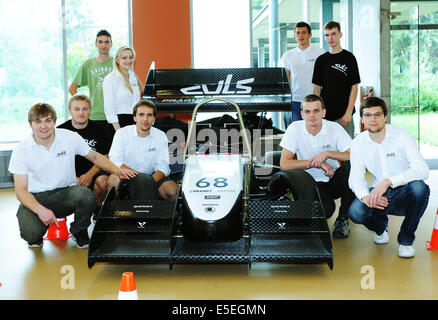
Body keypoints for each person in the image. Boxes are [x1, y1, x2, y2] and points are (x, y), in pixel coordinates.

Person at [8, 103, 137, 249]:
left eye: (48, 121)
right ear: (30, 124)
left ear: (54, 122)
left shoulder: (69, 137)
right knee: (31, 235)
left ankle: (79, 230)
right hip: (36, 197)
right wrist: (40, 210)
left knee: (87, 196)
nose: (43, 126)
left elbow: (95, 157)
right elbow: (21, 191)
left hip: (65, 194)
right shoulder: (21, 150)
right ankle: (36, 231)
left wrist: (117, 170)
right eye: (38, 121)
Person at [348, 96, 430, 258]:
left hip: (403, 193)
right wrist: (366, 197)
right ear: (362, 119)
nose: (373, 119)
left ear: (385, 117)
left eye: (378, 114)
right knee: (355, 212)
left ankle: (406, 241)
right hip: (378, 195)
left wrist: (388, 181)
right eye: (368, 115)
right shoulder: (358, 143)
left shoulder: (402, 135)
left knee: (420, 188)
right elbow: (355, 178)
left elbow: (422, 169)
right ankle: (380, 228)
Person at [279, 94, 355, 238]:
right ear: (302, 114)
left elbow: (354, 155)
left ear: (323, 113)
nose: (311, 115)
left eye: (316, 111)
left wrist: (327, 153)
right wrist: (317, 163)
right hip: (311, 181)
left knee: (351, 165)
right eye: (307, 112)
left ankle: (343, 218)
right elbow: (284, 164)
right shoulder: (294, 128)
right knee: (326, 210)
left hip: (334, 178)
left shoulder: (335, 128)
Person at [107, 99, 179, 201]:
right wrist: (139, 180)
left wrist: (148, 181)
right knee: (113, 181)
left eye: (149, 115)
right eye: (141, 114)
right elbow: (115, 161)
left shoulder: (160, 135)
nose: (145, 119)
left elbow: (163, 165)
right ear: (134, 117)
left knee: (172, 191)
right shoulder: (121, 133)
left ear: (154, 118)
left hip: (152, 177)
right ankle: (115, 214)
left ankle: (162, 215)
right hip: (126, 175)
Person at [57, 94, 113, 219]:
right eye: (76, 109)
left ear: (90, 111)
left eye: (85, 109)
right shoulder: (60, 131)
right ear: (70, 111)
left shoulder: (100, 129)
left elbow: (105, 156)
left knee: (103, 181)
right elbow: (56, 160)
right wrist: (72, 177)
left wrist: (90, 174)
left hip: (93, 171)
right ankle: (63, 215)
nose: (81, 112)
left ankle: (96, 208)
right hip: (70, 174)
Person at [312, 21, 360, 138]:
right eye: (327, 35)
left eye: (333, 34)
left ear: (340, 35)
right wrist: (316, 112)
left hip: (343, 115)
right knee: (325, 148)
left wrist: (348, 112)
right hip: (325, 115)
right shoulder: (321, 60)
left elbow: (354, 87)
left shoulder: (349, 58)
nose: (330, 38)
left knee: (346, 151)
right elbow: (317, 88)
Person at [281, 21, 325, 126]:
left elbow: (324, 78)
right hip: (296, 101)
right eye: (298, 33)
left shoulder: (320, 53)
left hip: (315, 100)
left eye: (304, 32)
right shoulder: (288, 55)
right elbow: (286, 80)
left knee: (315, 131)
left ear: (310, 34)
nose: (301, 35)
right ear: (294, 36)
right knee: (297, 133)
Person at [69, 30, 114, 129]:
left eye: (107, 42)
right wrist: (82, 107)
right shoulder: (88, 64)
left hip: (115, 115)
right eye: (100, 42)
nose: (104, 45)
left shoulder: (118, 64)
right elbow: (72, 88)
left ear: (111, 44)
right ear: (96, 44)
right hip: (95, 115)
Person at [103, 46, 143, 132]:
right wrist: (118, 131)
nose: (128, 61)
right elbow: (109, 107)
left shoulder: (133, 77)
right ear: (117, 60)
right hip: (118, 124)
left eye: (131, 57)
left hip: (134, 122)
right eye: (124, 58)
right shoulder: (110, 78)